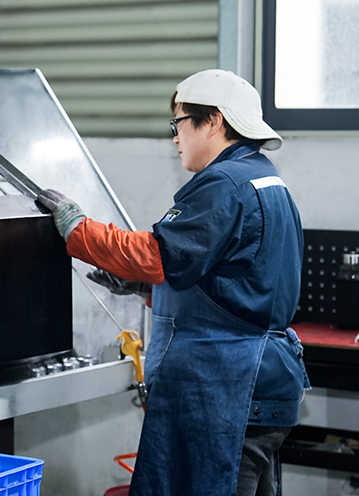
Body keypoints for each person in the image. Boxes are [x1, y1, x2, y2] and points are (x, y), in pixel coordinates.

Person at [38, 69, 310, 496]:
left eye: (178, 122)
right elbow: (237, 281)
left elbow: (155, 254)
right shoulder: (264, 178)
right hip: (259, 380)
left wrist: (78, 229)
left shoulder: (225, 184)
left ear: (214, 121)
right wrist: (146, 290)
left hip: (227, 388)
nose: (175, 138)